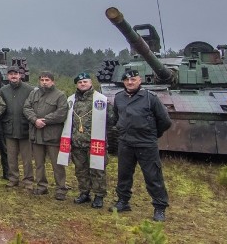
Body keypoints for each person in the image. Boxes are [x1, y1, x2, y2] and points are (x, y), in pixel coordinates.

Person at [110, 69, 172, 222]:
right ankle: (123, 201)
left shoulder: (150, 98)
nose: (130, 82)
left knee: (153, 176)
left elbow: (165, 121)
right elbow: (116, 117)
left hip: (146, 143)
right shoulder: (119, 98)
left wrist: (152, 134)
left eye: (133, 80)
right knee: (123, 175)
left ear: (140, 81)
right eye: (127, 80)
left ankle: (159, 207)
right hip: (125, 142)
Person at [57, 72, 110, 209]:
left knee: (97, 170)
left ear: (91, 83)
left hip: (94, 143)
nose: (82, 84)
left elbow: (111, 120)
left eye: (85, 82)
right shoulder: (71, 100)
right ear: (77, 84)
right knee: (81, 170)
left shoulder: (101, 100)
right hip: (77, 142)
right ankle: (84, 192)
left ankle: (99, 195)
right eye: (80, 82)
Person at [23, 71, 69, 200]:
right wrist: (34, 120)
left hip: (52, 135)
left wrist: (44, 120)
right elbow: (26, 108)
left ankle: (61, 189)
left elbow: (61, 113)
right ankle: (42, 186)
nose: (44, 82)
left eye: (47, 80)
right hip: (37, 135)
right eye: (42, 80)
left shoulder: (60, 95)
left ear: (53, 81)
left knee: (57, 164)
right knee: (39, 163)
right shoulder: (34, 93)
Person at [0, 67, 34, 188]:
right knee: (11, 157)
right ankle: (13, 179)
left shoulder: (29, 89)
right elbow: (1, 107)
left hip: (24, 128)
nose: (13, 76)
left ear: (20, 75)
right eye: (11, 74)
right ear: (7, 76)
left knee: (27, 158)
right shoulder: (3, 90)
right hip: (9, 127)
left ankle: (28, 181)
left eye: (16, 74)